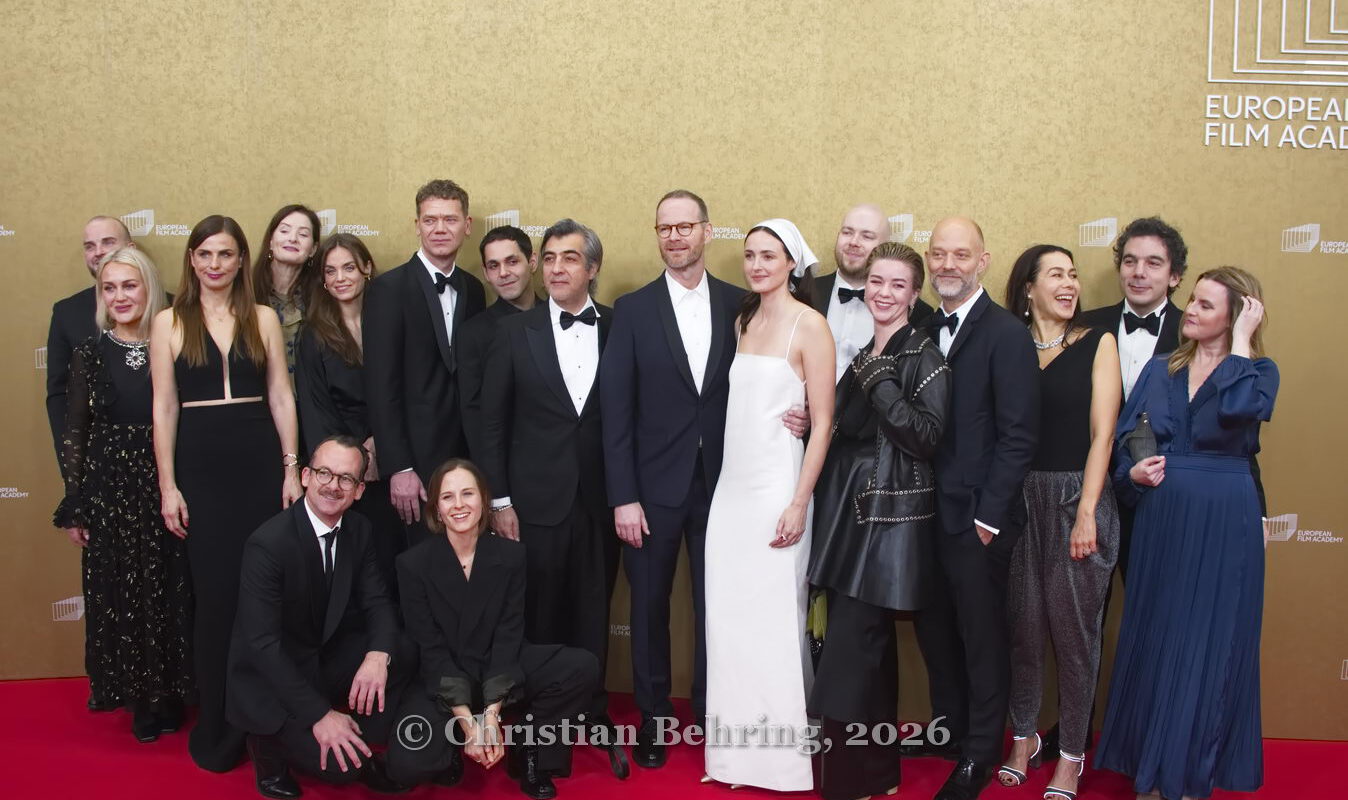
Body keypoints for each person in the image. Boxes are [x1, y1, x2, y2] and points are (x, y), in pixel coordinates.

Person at [599, 190, 808, 768]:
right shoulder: (633, 308)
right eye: (664, 227)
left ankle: (715, 718)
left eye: (685, 226)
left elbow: (781, 377)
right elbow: (615, 411)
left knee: (722, 608)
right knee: (647, 609)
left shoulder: (743, 304)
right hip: (650, 491)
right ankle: (653, 720)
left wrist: (807, 409)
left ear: (707, 232)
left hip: (728, 488)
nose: (674, 236)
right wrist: (624, 496)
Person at [1096, 267, 1275, 800]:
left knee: (1210, 645)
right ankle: (1151, 767)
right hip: (1163, 519)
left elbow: (1242, 410)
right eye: (1191, 299)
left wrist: (1241, 344)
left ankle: (1190, 773)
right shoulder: (1157, 370)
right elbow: (1128, 437)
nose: (1190, 310)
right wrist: (1134, 471)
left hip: (1226, 521)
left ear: (1238, 316)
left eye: (1205, 305)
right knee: (1159, 636)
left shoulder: (1260, 372)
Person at [150, 215, 303, 771]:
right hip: (201, 470)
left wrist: (291, 469)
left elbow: (282, 396)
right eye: (204, 254)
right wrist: (169, 485)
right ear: (191, 260)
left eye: (226, 254)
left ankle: (267, 726)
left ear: (242, 260)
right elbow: (163, 407)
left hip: (259, 464)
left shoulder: (262, 317)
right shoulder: (168, 320)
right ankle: (218, 729)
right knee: (215, 604)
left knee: (263, 601)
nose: (215, 264)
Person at [479, 219, 628, 778]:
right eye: (549, 258)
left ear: (592, 268)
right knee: (537, 619)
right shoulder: (513, 335)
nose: (557, 267)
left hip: (601, 499)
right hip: (533, 503)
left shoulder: (619, 326)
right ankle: (532, 735)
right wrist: (500, 501)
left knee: (593, 611)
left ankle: (588, 711)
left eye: (570, 258)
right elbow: (490, 426)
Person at [807, 242, 950, 800]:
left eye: (897, 285)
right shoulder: (870, 348)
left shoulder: (923, 354)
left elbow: (928, 437)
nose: (883, 293)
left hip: (887, 522)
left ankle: (842, 785)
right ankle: (879, 775)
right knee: (870, 651)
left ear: (915, 295)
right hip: (851, 517)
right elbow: (853, 428)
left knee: (848, 652)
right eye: (876, 282)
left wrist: (880, 381)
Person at [909, 217, 1039, 800]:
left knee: (982, 638)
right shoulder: (917, 323)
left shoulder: (1006, 333)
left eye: (961, 255)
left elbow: (1018, 435)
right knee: (935, 630)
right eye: (938, 254)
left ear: (983, 262)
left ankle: (980, 755)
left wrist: (990, 517)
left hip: (977, 520)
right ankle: (952, 730)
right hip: (921, 514)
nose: (947, 265)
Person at [702, 219, 834, 791]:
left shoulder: (812, 326)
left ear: (791, 263)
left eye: (769, 256)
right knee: (730, 625)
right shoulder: (743, 320)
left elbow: (824, 421)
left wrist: (799, 502)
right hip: (731, 492)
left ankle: (780, 763)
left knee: (777, 621)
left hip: (779, 489)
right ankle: (732, 759)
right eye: (750, 255)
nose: (756, 265)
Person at [386, 459, 599, 799]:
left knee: (580, 667)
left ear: (483, 501)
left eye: (467, 494)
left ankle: (530, 751)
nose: (459, 505)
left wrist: (491, 715)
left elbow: (508, 634)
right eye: (447, 497)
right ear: (436, 509)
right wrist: (469, 725)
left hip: (499, 663)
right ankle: (450, 751)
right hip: (445, 675)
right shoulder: (412, 565)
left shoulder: (512, 556)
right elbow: (431, 649)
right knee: (406, 765)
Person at [998, 245, 1122, 800]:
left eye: (1073, 274)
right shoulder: (1009, 344)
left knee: (1075, 641)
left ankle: (1071, 756)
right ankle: (1022, 739)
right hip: (1020, 503)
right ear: (1028, 287)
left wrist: (1088, 511)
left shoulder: (1099, 341)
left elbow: (1104, 434)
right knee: (1023, 632)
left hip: (1078, 497)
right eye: (1056, 274)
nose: (1069, 283)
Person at [52, 246, 189, 741]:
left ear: (149, 286)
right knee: (123, 590)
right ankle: (140, 699)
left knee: (170, 585)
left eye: (129, 285)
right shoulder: (90, 352)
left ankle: (173, 689)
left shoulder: (174, 339)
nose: (120, 296)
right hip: (112, 488)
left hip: (169, 478)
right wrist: (77, 501)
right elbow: (76, 432)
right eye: (109, 288)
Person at [227, 435, 412, 798]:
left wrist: (377, 656)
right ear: (307, 476)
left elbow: (377, 601)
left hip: (320, 657)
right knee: (345, 771)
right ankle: (267, 749)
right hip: (271, 679)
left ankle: (358, 729)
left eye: (346, 479)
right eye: (325, 473)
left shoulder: (358, 530)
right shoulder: (268, 544)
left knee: (401, 650)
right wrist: (319, 715)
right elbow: (263, 646)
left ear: (359, 490)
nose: (333, 486)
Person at [364, 179, 486, 545]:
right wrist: (398, 466)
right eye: (430, 220)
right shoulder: (388, 290)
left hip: (464, 458)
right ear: (416, 225)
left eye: (449, 220)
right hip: (413, 462)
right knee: (418, 565)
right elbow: (380, 385)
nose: (439, 229)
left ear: (466, 226)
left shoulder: (474, 289)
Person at [295, 233, 406, 593]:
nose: (340, 277)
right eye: (331, 271)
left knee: (393, 560)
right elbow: (315, 408)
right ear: (323, 280)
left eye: (348, 267)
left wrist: (382, 445)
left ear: (367, 269)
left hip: (392, 459)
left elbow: (403, 390)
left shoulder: (389, 322)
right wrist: (355, 458)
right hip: (344, 471)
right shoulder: (313, 335)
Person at [47, 216, 135, 479]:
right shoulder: (67, 313)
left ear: (130, 249)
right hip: (97, 467)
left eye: (108, 242)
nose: (98, 252)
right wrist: (73, 475)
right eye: (89, 246)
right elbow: (59, 397)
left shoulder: (169, 309)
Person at [813, 204, 933, 380]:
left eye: (867, 236)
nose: (854, 242)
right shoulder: (806, 294)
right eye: (847, 232)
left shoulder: (919, 314)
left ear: (885, 246)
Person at [459, 224, 540, 463]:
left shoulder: (559, 317)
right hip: (506, 464)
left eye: (512, 261)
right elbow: (474, 416)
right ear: (485, 273)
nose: (503, 272)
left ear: (532, 262)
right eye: (494, 265)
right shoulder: (473, 333)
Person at [251, 204, 321, 377]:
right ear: (271, 241)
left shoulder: (321, 298)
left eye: (303, 234)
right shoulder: (245, 291)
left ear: (313, 249)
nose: (293, 239)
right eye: (284, 231)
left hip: (304, 399)